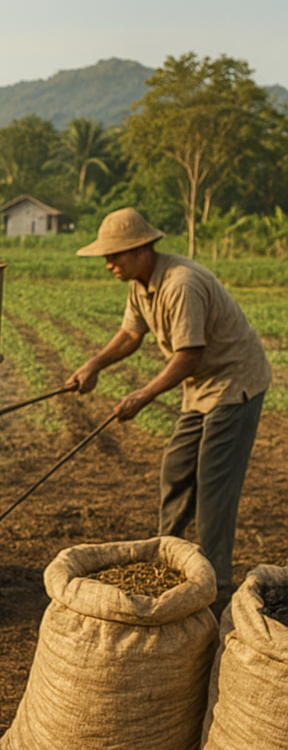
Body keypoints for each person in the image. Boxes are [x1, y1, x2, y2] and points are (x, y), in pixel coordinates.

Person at [66, 207, 272, 607]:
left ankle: (215, 586)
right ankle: (168, 561)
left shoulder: (181, 283)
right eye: (106, 257)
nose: (108, 264)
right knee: (176, 468)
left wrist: (142, 396)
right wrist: (93, 365)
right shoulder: (140, 285)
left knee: (214, 483)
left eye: (115, 255)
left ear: (143, 249)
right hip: (201, 388)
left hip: (234, 382)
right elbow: (130, 334)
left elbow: (188, 356)